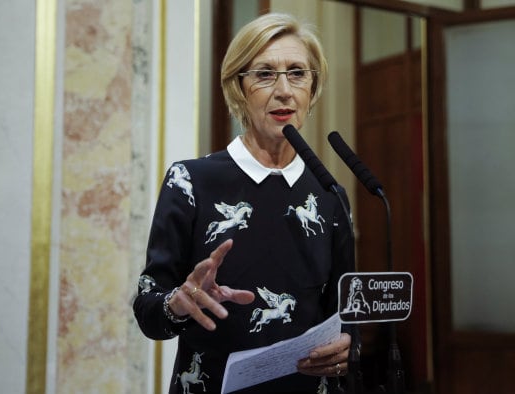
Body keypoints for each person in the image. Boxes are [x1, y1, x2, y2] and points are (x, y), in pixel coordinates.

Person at [133, 12, 354, 394]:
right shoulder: (191, 181)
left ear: (312, 89)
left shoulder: (329, 193)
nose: (284, 90)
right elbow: (149, 311)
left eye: (298, 73)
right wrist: (179, 302)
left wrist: (348, 346)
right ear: (238, 88)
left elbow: (343, 312)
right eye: (265, 74)